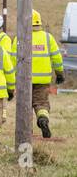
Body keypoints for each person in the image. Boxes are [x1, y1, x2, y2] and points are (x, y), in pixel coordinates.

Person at [24, 10, 64, 138]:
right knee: (41, 103)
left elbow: (13, 59)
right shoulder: (48, 38)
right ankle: (43, 119)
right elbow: (57, 58)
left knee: (25, 106)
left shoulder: (22, 37)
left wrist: (12, 79)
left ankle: (26, 131)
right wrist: (59, 74)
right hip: (43, 80)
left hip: (25, 80)